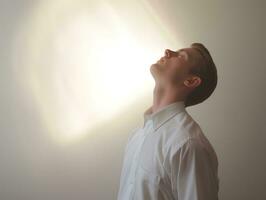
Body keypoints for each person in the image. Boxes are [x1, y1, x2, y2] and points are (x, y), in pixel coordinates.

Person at [117, 43, 219, 200]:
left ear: (191, 81)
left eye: (181, 55)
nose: (168, 51)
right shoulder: (136, 136)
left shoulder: (188, 144)